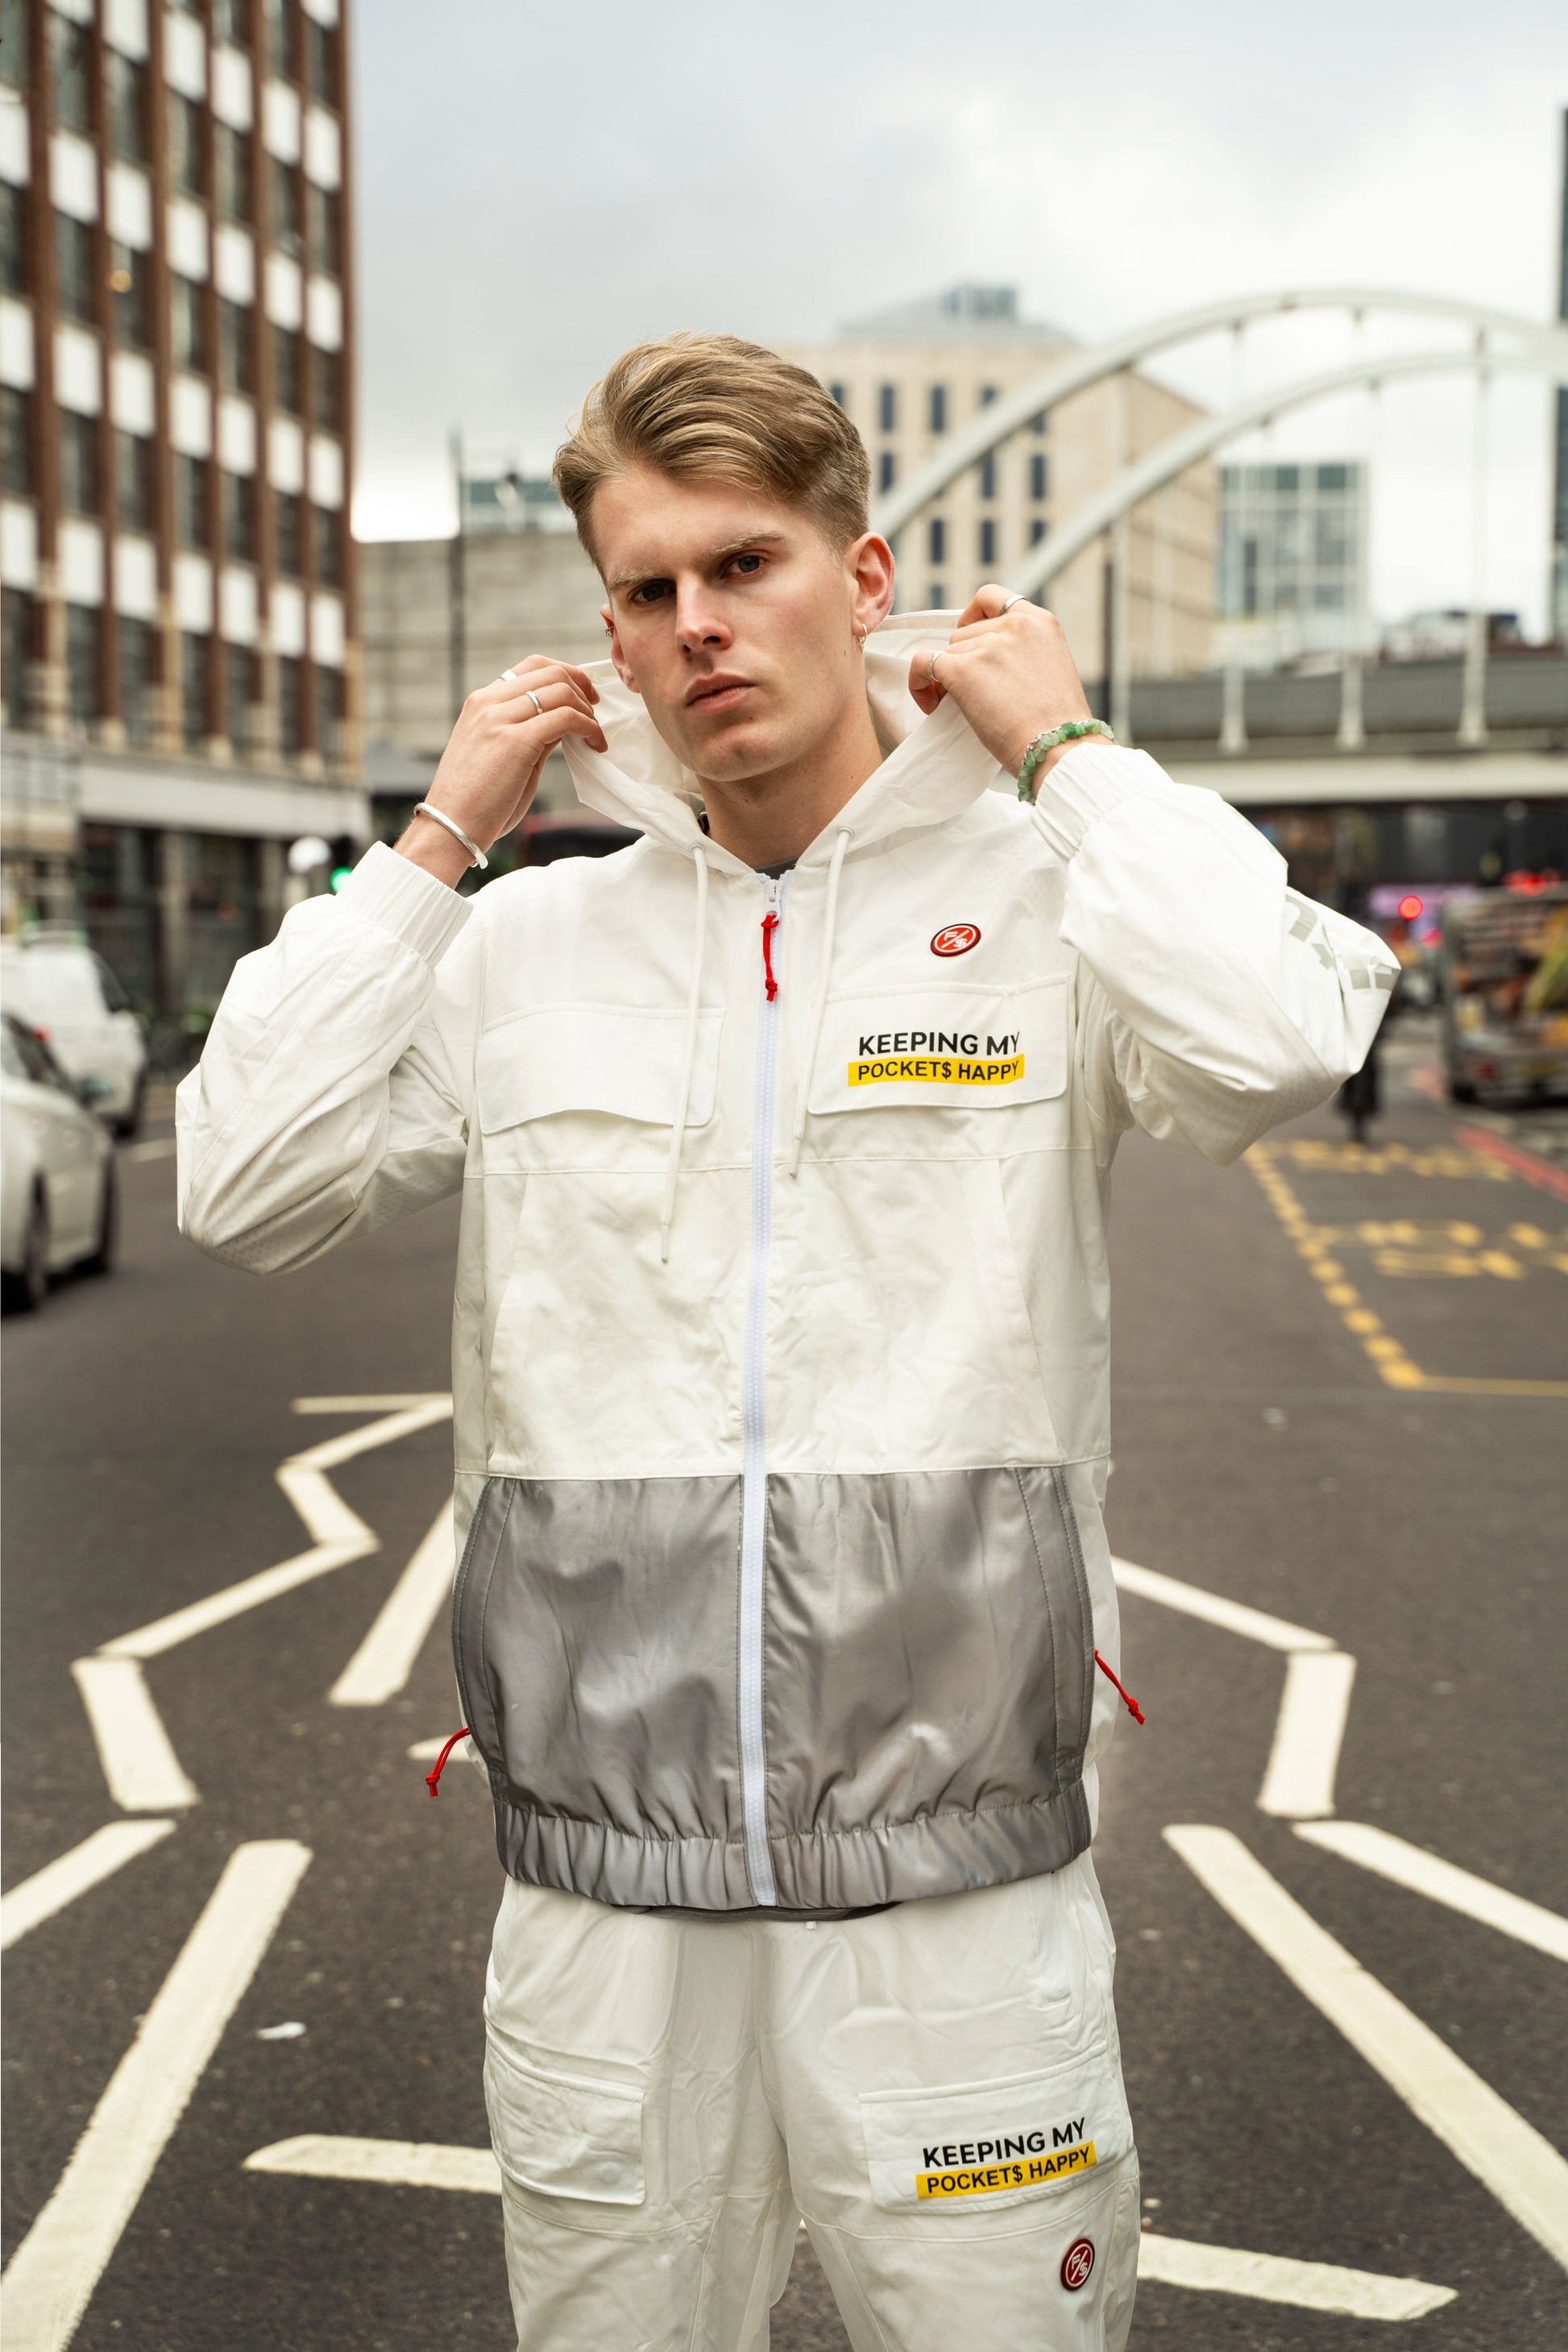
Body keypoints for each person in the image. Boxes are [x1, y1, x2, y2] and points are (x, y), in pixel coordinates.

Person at [177, 334, 1399, 2352]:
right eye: (648, 588)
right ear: (608, 635)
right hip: (603, 1898)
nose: (699, 624)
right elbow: (243, 1180)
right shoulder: (525, 944)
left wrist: (1070, 748)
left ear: (866, 575)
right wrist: (432, 844)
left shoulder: (1048, 901)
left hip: (958, 1891)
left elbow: (1273, 1044)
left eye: (745, 563)